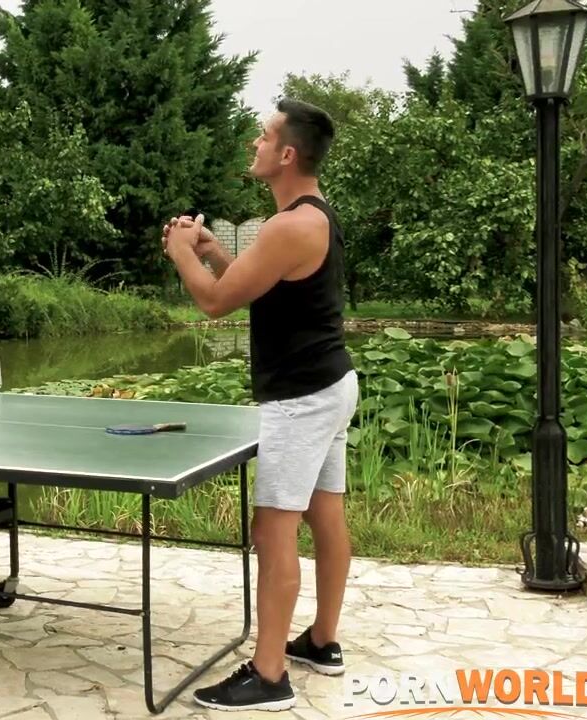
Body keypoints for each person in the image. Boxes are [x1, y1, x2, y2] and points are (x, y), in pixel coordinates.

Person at [161, 98, 359, 712]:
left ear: (288, 153)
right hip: (330, 385)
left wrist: (181, 252)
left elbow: (215, 302)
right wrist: (214, 253)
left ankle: (269, 675)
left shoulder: (288, 226)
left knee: (273, 531)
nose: (255, 142)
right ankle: (322, 641)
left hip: (301, 398)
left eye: (265, 136)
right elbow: (264, 289)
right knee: (326, 516)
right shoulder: (311, 216)